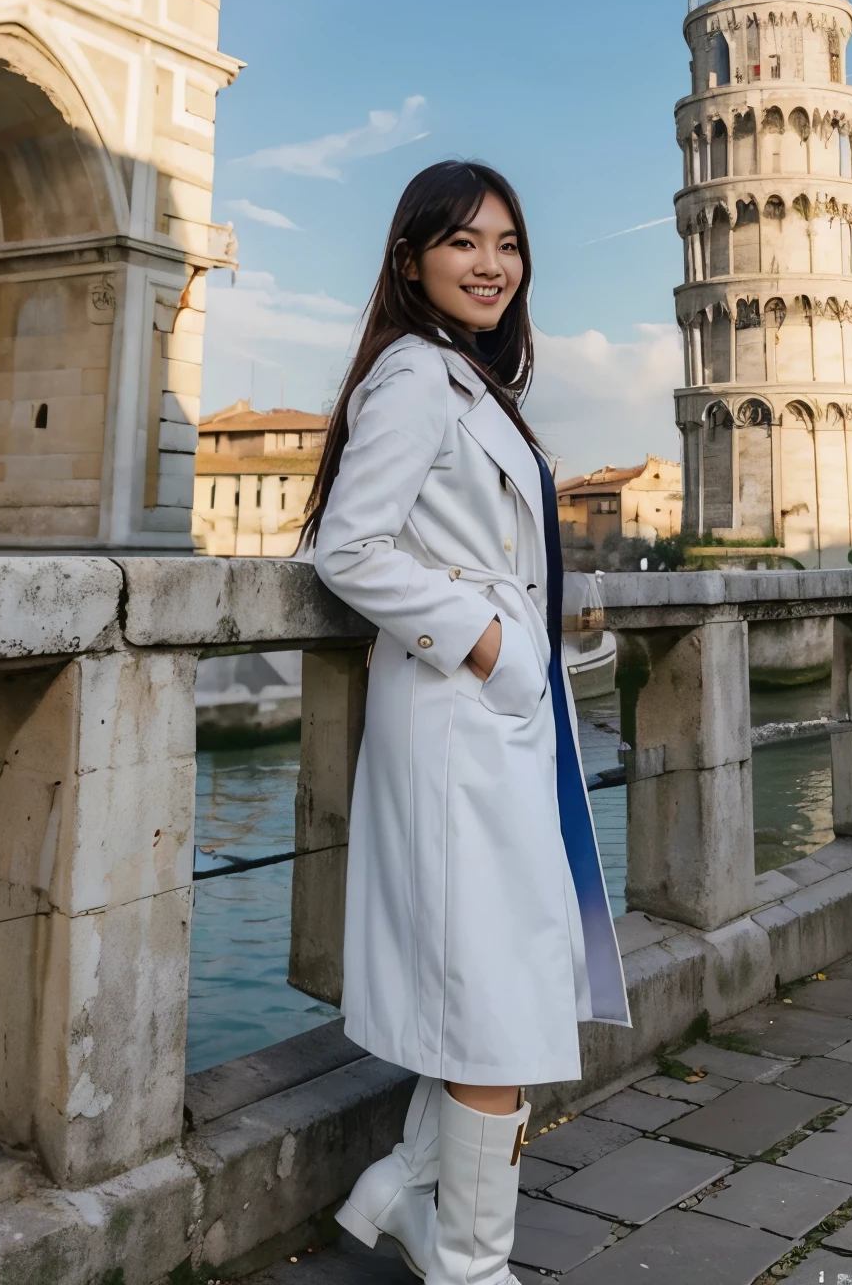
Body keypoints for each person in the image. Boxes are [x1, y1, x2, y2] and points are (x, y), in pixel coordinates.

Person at [304, 160, 630, 1283]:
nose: (491, 264)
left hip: (495, 724)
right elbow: (347, 549)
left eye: (506, 243)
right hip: (455, 719)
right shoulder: (409, 376)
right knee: (496, 1005)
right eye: (462, 243)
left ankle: (403, 1188)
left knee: (512, 981)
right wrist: (488, 641)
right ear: (410, 261)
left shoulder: (468, 381)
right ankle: (469, 1263)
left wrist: (529, 632)